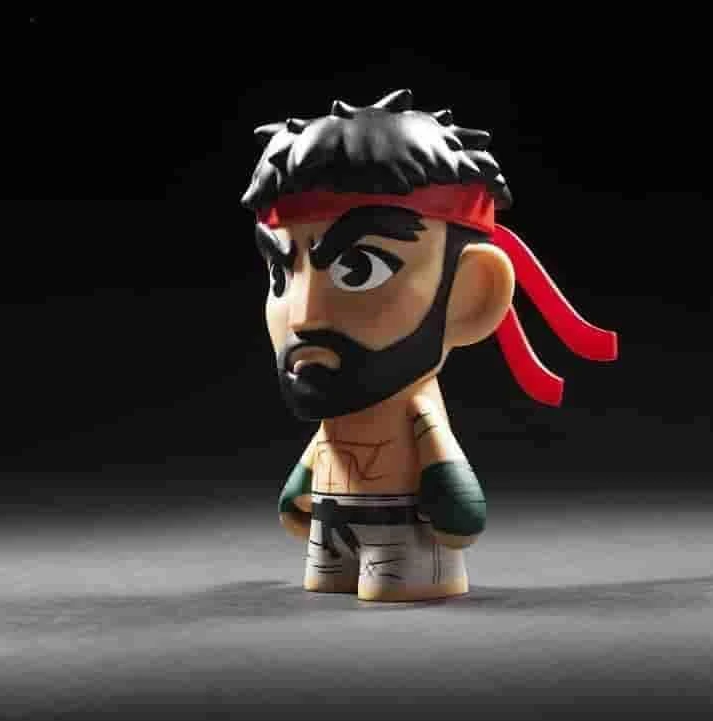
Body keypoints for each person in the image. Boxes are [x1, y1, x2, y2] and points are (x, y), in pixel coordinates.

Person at [240, 89, 617, 601]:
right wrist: (299, 489)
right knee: (328, 574)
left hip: (403, 534)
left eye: (359, 268)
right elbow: (324, 444)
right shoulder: (338, 408)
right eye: (281, 276)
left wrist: (455, 502)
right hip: (331, 523)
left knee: (395, 581)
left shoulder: (416, 408)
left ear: (470, 295)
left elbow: (452, 482)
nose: (303, 316)